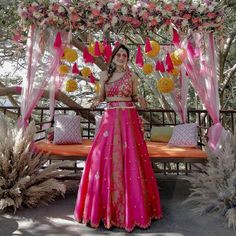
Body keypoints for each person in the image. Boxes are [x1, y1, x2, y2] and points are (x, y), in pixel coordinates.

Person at [74, 44, 162, 232]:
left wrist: (142, 100)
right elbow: (101, 96)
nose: (122, 57)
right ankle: (103, 210)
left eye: (124, 55)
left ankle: (134, 210)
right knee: (103, 158)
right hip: (110, 119)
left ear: (127, 58)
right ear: (113, 57)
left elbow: (136, 96)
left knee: (131, 159)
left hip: (128, 120)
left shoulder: (133, 77)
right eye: (119, 54)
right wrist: (95, 101)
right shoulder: (104, 75)